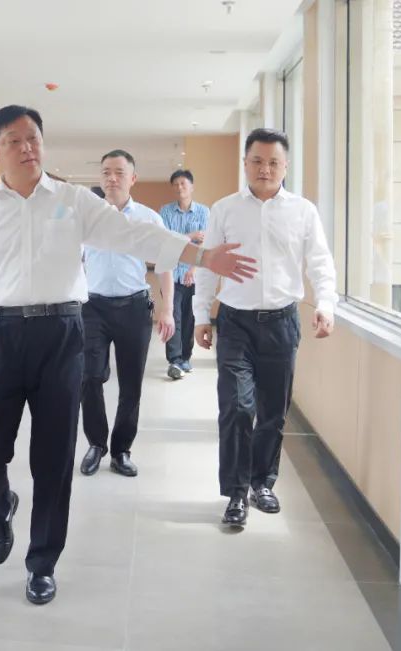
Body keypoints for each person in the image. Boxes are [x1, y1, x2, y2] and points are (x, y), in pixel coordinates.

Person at [0, 105, 256, 605]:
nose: (27, 148)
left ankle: (42, 562)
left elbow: (136, 235)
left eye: (33, 138)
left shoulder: (71, 201)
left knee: (53, 457)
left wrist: (201, 256)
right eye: (14, 141)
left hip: (61, 334)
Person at [194, 128, 336, 528]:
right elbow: (208, 264)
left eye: (274, 162)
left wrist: (326, 304)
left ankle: (262, 483)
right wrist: (201, 314)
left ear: (285, 166)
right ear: (245, 163)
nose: (265, 169)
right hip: (235, 323)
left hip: (282, 323)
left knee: (273, 411)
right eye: (257, 161)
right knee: (237, 408)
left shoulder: (303, 211)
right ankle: (236, 494)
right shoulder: (224, 209)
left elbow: (320, 261)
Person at [78, 149, 175, 478]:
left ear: (133, 178)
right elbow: (71, 260)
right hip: (92, 307)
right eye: (106, 172)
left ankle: (121, 450)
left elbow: (165, 265)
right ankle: (96, 443)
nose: (112, 178)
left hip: (133, 308)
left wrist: (167, 309)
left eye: (119, 172)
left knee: (131, 384)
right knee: (89, 377)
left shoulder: (148, 219)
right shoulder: (87, 218)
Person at [159, 169, 210, 380]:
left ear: (191, 187)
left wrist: (192, 269)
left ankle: (185, 358)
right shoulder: (165, 212)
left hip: (193, 275)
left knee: (189, 319)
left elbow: (205, 243)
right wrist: (191, 236)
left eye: (183, 183)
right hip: (171, 274)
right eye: (176, 184)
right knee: (174, 317)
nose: (179, 187)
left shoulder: (204, 212)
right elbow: (165, 240)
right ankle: (174, 360)